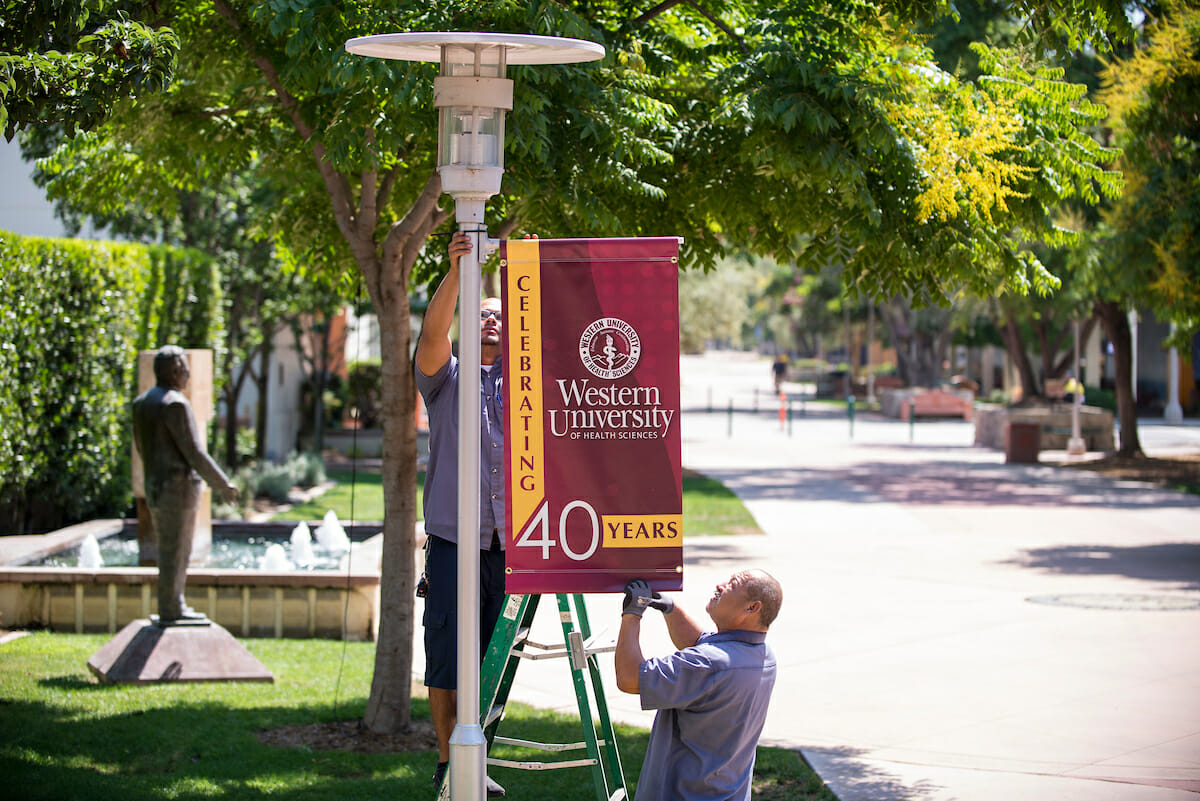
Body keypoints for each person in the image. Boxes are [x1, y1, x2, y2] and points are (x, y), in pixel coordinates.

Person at [415, 230, 507, 798]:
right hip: (453, 545)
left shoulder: (529, 384)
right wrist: (458, 271)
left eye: (500, 313)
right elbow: (432, 332)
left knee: (495, 665)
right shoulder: (446, 378)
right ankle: (450, 767)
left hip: (510, 547)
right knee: (448, 663)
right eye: (481, 313)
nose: (490, 320)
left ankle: (483, 764)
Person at [616, 570, 782, 801]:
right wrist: (671, 609)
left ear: (752, 608)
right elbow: (699, 642)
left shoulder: (710, 664)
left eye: (733, 584)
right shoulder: (762, 656)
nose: (721, 584)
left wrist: (632, 615)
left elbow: (630, 678)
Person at [131, 346, 239, 623]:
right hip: (177, 491)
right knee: (177, 552)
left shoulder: (142, 403)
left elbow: (142, 448)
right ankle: (172, 607)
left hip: (156, 487)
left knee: (168, 551)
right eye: (183, 369)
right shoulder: (175, 404)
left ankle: (171, 604)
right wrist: (223, 484)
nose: (187, 374)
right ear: (175, 371)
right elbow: (195, 453)